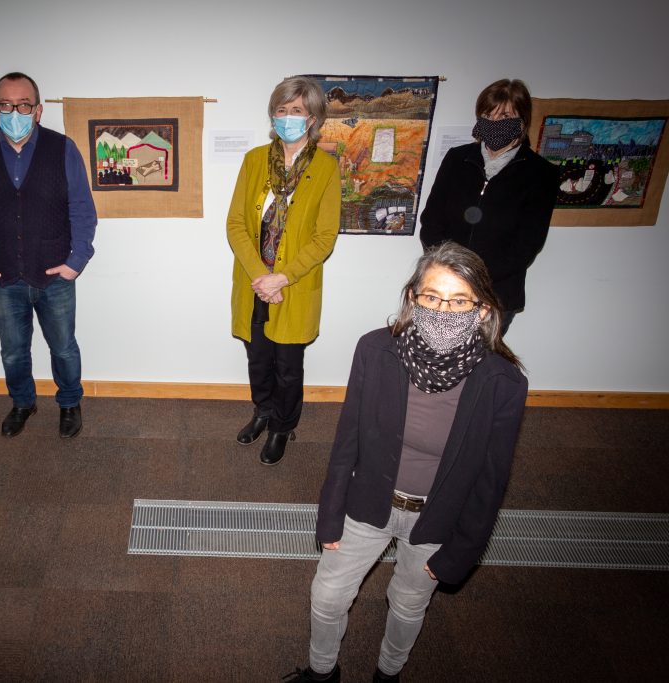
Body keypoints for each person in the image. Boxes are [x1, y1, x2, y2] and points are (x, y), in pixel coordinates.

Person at [286, 242, 528, 683]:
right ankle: (322, 673)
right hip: (369, 500)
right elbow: (348, 440)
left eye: (458, 301)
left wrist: (461, 553)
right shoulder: (375, 351)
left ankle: (388, 673)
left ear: (482, 310)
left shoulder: (503, 384)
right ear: (413, 298)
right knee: (326, 597)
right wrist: (330, 514)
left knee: (408, 603)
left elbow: (491, 482)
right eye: (432, 297)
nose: (443, 310)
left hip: (439, 519)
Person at [0, 71, 97, 439]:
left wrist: (75, 263)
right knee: (13, 352)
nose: (13, 112)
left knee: (64, 349)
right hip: (1, 279)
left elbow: (82, 209)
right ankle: (22, 402)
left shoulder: (63, 148)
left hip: (55, 277)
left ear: (38, 110)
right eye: (5, 104)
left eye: (22, 105)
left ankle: (69, 403)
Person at [226, 76, 341, 465]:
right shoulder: (255, 160)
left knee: (288, 367)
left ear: (312, 118)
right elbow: (236, 225)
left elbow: (324, 237)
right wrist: (262, 277)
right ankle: (262, 411)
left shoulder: (326, 169)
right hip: (253, 283)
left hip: (294, 286)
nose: (287, 117)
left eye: (296, 111)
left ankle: (282, 427)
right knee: (257, 357)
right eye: (281, 109)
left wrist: (281, 277)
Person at [420, 78, 559, 334]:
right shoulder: (456, 159)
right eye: (488, 115)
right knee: (434, 361)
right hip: (444, 289)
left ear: (522, 120)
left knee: (480, 366)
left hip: (495, 296)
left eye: (504, 115)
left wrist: (473, 280)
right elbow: (431, 222)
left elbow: (527, 244)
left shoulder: (542, 174)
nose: (494, 123)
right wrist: (450, 273)